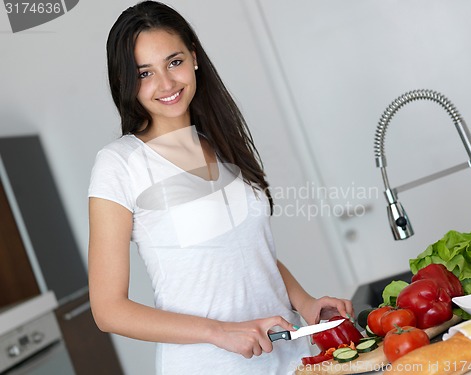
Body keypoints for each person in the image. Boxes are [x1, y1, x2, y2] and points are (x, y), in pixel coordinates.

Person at [88, 1, 354, 374]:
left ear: (194, 58)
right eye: (144, 73)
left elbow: (247, 251)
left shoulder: (219, 140)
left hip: (291, 357)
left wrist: (306, 303)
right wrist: (221, 332)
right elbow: (108, 310)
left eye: (174, 62)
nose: (165, 84)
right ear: (126, 82)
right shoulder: (118, 164)